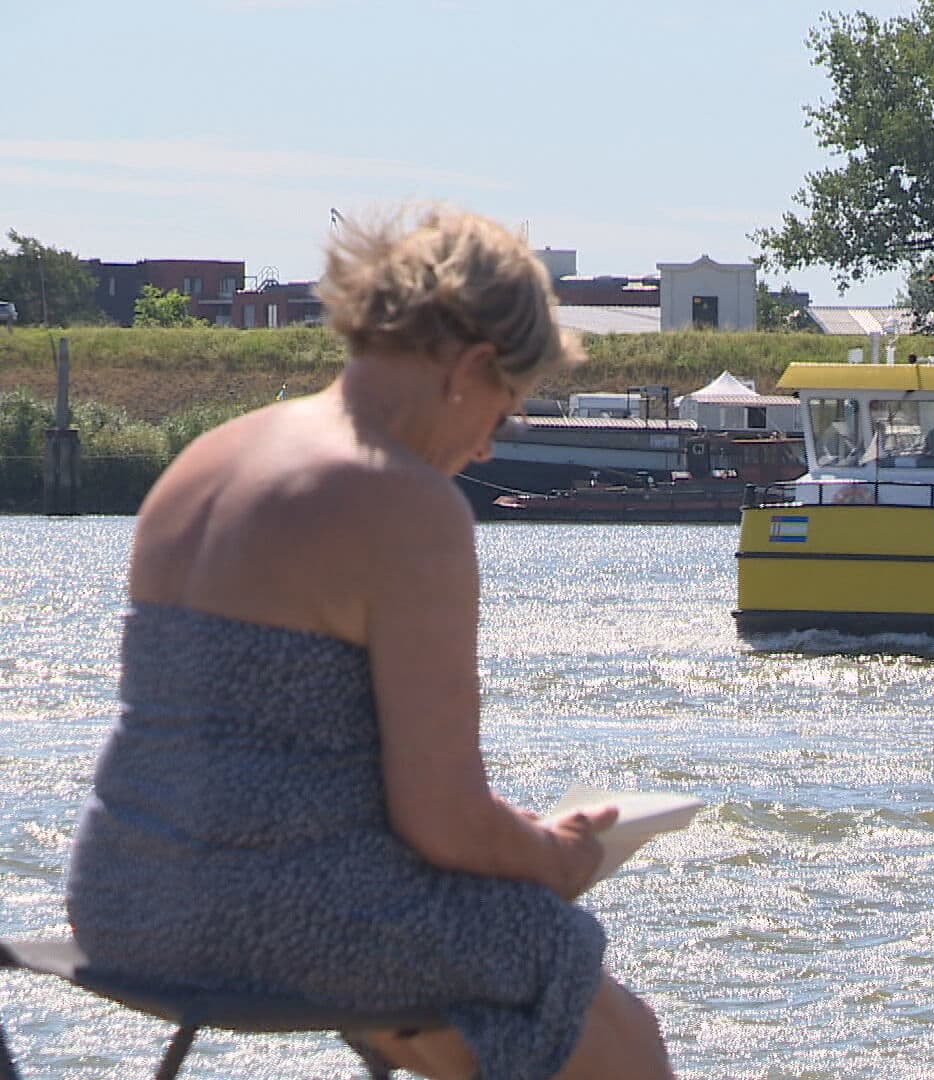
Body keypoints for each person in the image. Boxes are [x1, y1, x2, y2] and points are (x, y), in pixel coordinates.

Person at [65, 207, 674, 1080]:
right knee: (596, 1004)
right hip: (265, 915)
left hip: (123, 899)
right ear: (470, 369)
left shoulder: (206, 459)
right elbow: (444, 823)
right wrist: (558, 855)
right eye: (499, 414)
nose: (484, 446)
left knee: (473, 997)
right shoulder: (402, 502)